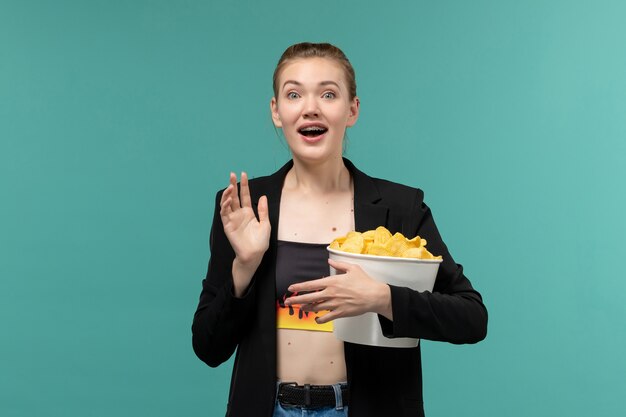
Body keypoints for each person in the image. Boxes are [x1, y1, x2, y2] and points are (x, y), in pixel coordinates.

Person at [192, 42, 487, 417]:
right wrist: (243, 268)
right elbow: (208, 346)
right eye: (294, 94)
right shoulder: (245, 207)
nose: (310, 107)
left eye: (328, 94)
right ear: (276, 111)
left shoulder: (400, 208)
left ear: (352, 110)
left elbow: (472, 318)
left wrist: (382, 298)